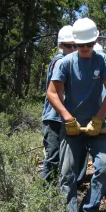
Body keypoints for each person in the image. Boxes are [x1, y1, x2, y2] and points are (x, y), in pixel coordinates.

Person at [47, 17, 106, 212]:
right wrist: (67, 117)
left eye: (89, 44)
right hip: (71, 126)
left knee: (105, 166)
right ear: (75, 43)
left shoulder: (102, 60)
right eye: (81, 45)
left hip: (96, 123)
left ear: (95, 42)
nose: (85, 48)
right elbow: (52, 93)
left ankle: (89, 210)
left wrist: (98, 118)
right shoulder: (65, 63)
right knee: (68, 173)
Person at [41, 25, 78, 183]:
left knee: (65, 157)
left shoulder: (71, 62)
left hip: (64, 117)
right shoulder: (60, 62)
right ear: (61, 46)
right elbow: (56, 94)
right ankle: (45, 194)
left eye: (75, 45)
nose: (73, 49)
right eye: (69, 46)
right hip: (54, 118)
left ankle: (58, 190)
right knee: (53, 157)